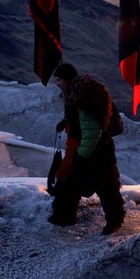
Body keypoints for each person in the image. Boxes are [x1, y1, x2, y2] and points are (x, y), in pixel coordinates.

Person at [48, 63, 126, 235]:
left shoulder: (82, 96)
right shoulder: (82, 92)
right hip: (96, 148)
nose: (58, 84)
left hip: (94, 151)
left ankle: (113, 220)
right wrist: (66, 123)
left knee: (104, 187)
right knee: (93, 185)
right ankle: (64, 216)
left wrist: (82, 156)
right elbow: (83, 119)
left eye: (59, 80)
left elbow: (92, 130)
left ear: (67, 80)